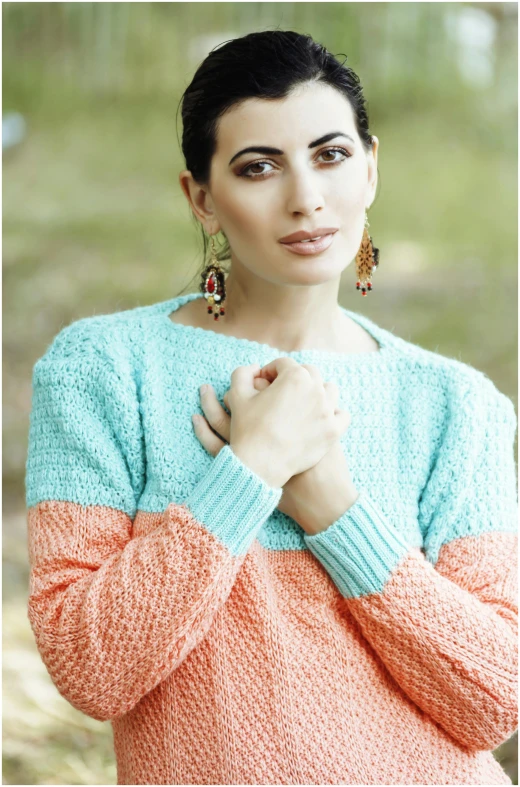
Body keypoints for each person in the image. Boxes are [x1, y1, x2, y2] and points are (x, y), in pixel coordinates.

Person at [25, 30, 517, 786]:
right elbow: (92, 669)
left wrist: (336, 512)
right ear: (201, 198)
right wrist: (248, 472)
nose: (306, 198)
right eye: (259, 167)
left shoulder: (456, 404)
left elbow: (495, 698)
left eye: (331, 155)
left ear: (372, 167)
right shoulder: (103, 368)